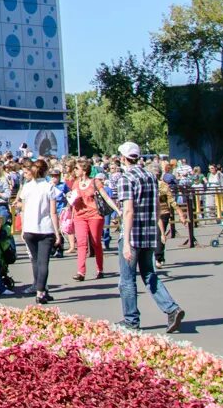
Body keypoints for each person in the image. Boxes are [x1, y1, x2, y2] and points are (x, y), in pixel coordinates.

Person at [109, 142, 186, 333]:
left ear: (124, 158)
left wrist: (125, 241)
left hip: (133, 234)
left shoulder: (126, 178)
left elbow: (128, 211)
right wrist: (159, 229)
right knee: (149, 273)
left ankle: (131, 320)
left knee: (126, 279)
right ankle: (171, 308)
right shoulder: (151, 176)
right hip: (149, 232)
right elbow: (158, 207)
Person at [18, 158, 60, 303]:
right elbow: (53, 212)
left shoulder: (27, 187)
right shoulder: (49, 187)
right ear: (46, 171)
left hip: (29, 228)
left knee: (35, 261)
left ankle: (41, 288)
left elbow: (22, 210)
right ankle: (41, 292)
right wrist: (57, 232)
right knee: (43, 262)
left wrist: (23, 229)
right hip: (45, 228)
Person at [67, 159, 110, 280]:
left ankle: (100, 269)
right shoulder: (75, 183)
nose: (75, 170)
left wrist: (117, 210)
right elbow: (72, 200)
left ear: (84, 170)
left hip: (94, 215)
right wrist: (71, 214)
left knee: (96, 242)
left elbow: (106, 197)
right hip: (80, 216)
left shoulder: (95, 182)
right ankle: (81, 272)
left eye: (77, 168)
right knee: (81, 243)